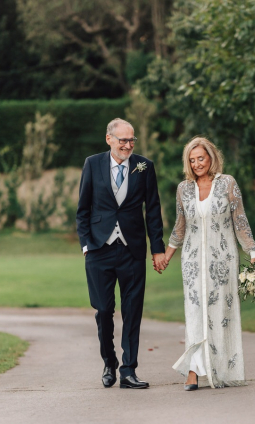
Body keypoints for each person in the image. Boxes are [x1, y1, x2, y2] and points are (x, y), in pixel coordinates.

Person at [160, 137, 255, 391]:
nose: (196, 164)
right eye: (192, 160)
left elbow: (240, 221)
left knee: (220, 315)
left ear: (211, 157)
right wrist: (165, 256)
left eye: (200, 158)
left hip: (223, 262)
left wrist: (253, 253)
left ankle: (221, 369)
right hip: (192, 263)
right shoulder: (183, 188)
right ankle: (193, 372)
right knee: (195, 314)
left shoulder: (228, 183)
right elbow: (180, 227)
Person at [76, 118, 166, 390]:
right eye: (122, 140)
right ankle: (109, 362)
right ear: (109, 139)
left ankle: (128, 370)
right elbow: (83, 209)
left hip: (133, 250)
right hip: (99, 250)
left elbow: (152, 210)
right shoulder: (92, 164)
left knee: (132, 311)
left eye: (131, 140)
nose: (128, 145)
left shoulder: (144, 167)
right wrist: (86, 244)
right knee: (104, 310)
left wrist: (157, 248)